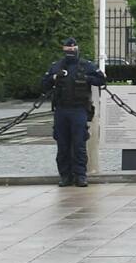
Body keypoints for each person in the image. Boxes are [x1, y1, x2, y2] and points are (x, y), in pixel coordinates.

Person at [39, 35, 109, 187]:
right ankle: (65, 176)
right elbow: (44, 84)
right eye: (68, 48)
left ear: (77, 49)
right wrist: (53, 78)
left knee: (79, 145)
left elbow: (101, 80)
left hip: (79, 110)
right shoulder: (57, 66)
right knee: (62, 145)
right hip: (62, 110)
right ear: (64, 49)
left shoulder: (87, 66)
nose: (71, 50)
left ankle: (80, 175)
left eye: (73, 48)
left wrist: (86, 79)